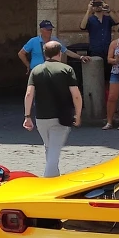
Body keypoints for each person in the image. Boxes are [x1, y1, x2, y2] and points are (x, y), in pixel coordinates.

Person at [23, 40, 82, 177]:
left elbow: (29, 94)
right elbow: (76, 96)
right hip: (61, 116)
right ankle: (48, 182)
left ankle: (55, 178)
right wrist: (78, 115)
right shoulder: (67, 70)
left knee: (49, 148)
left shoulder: (36, 70)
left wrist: (27, 116)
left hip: (42, 118)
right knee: (53, 153)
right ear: (59, 53)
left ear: (45, 54)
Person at [19, 20, 88, 72]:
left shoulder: (55, 40)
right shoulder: (33, 41)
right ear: (41, 30)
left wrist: (80, 57)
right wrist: (28, 65)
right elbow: (21, 53)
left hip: (51, 71)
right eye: (47, 29)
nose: (50, 31)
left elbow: (66, 51)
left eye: (51, 29)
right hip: (36, 71)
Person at [79, 0, 115, 75]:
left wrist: (108, 10)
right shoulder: (90, 19)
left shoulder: (107, 18)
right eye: (95, 3)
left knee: (108, 74)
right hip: (95, 51)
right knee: (96, 75)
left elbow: (117, 21)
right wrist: (89, 10)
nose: (98, 5)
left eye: (100, 3)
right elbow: (82, 26)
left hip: (108, 51)